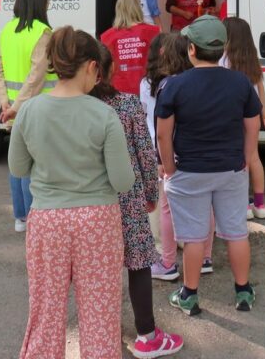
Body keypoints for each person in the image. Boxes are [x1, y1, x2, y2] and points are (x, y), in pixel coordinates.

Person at [9, 26, 135, 359]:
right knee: (100, 316)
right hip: (97, 221)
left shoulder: (30, 111)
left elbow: (18, 168)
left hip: (47, 221)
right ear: (93, 67)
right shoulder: (104, 115)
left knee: (45, 313)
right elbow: (123, 181)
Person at [156, 15, 261, 316]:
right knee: (236, 231)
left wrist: (169, 168)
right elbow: (251, 126)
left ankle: (189, 295)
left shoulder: (174, 85)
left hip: (189, 170)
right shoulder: (240, 82)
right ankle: (243, 291)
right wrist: (246, 157)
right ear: (223, 47)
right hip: (230, 169)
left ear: (191, 49)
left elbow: (164, 133)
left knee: (193, 236)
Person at [90, 44, 183, 359]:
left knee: (99, 269)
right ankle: (146, 333)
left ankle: (103, 332)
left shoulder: (81, 108)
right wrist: (151, 194)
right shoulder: (128, 106)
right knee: (139, 263)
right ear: (111, 69)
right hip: (129, 199)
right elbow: (145, 152)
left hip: (93, 197)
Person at [143, 34, 215, 280]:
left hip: (172, 155)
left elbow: (159, 127)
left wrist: (163, 161)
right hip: (200, 153)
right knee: (206, 206)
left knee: (167, 209)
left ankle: (168, 263)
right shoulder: (198, 82)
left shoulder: (158, 84)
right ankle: (205, 257)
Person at [0, 0, 58, 233]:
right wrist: (16, 106)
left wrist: (5, 103)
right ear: (40, 1)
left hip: (12, 110)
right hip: (37, 109)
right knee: (33, 164)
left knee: (16, 162)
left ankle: (20, 216)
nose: (49, 2)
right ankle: (34, 219)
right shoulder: (42, 32)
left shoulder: (7, 30)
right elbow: (37, 76)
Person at [222, 18, 265, 219]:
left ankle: (244, 206)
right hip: (251, 111)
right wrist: (263, 112)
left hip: (232, 112)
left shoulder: (224, 59)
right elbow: (260, 87)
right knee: (253, 157)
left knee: (238, 159)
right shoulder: (252, 57)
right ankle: (260, 205)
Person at [100, 0, 160, 95]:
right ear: (138, 9)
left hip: (118, 91)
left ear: (118, 10)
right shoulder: (153, 31)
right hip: (148, 89)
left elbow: (105, 67)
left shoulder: (107, 36)